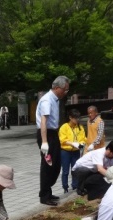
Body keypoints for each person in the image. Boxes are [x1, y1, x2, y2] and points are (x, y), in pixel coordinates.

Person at [36, 75, 70, 206]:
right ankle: (44, 195)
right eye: (65, 89)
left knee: (56, 164)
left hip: (53, 134)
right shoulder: (47, 100)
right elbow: (44, 121)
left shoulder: (55, 99)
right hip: (46, 135)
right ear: (57, 88)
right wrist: (44, 142)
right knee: (47, 165)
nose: (66, 92)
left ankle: (47, 191)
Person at [58, 109, 86, 193]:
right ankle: (65, 187)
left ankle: (75, 186)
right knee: (65, 171)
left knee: (75, 169)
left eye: (78, 118)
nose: (77, 120)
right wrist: (72, 144)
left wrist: (81, 143)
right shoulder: (64, 127)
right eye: (75, 118)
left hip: (76, 151)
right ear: (70, 117)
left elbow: (83, 138)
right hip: (65, 151)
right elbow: (62, 139)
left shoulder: (80, 127)